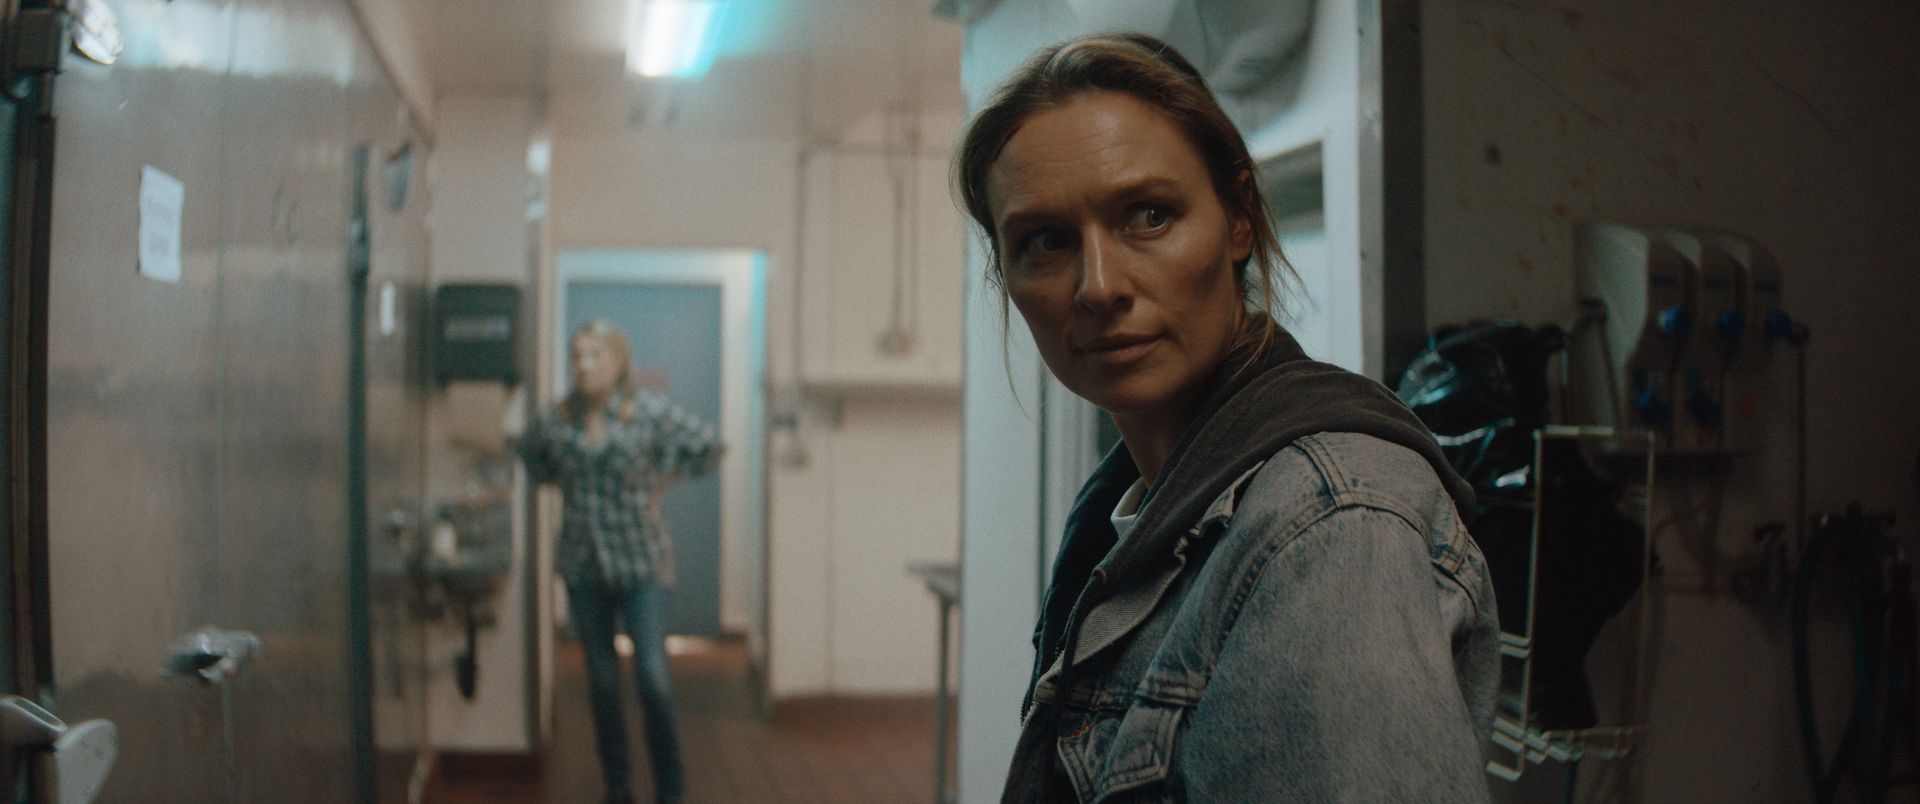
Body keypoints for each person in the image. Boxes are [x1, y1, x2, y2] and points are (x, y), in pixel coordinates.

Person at [955, 34, 1499, 801]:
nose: (1099, 286)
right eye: (1045, 241)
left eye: (1148, 215)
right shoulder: (1136, 504)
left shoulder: (1329, 525)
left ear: (1238, 218)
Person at [515, 319, 718, 804]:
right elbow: (529, 453)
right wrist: (558, 480)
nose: (584, 366)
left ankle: (670, 787)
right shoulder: (556, 418)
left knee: (652, 676)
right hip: (584, 565)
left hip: (642, 563)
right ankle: (618, 786)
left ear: (619, 361)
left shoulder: (649, 411)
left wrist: (663, 483)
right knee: (603, 681)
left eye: (595, 355)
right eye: (577, 356)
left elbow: (708, 445)